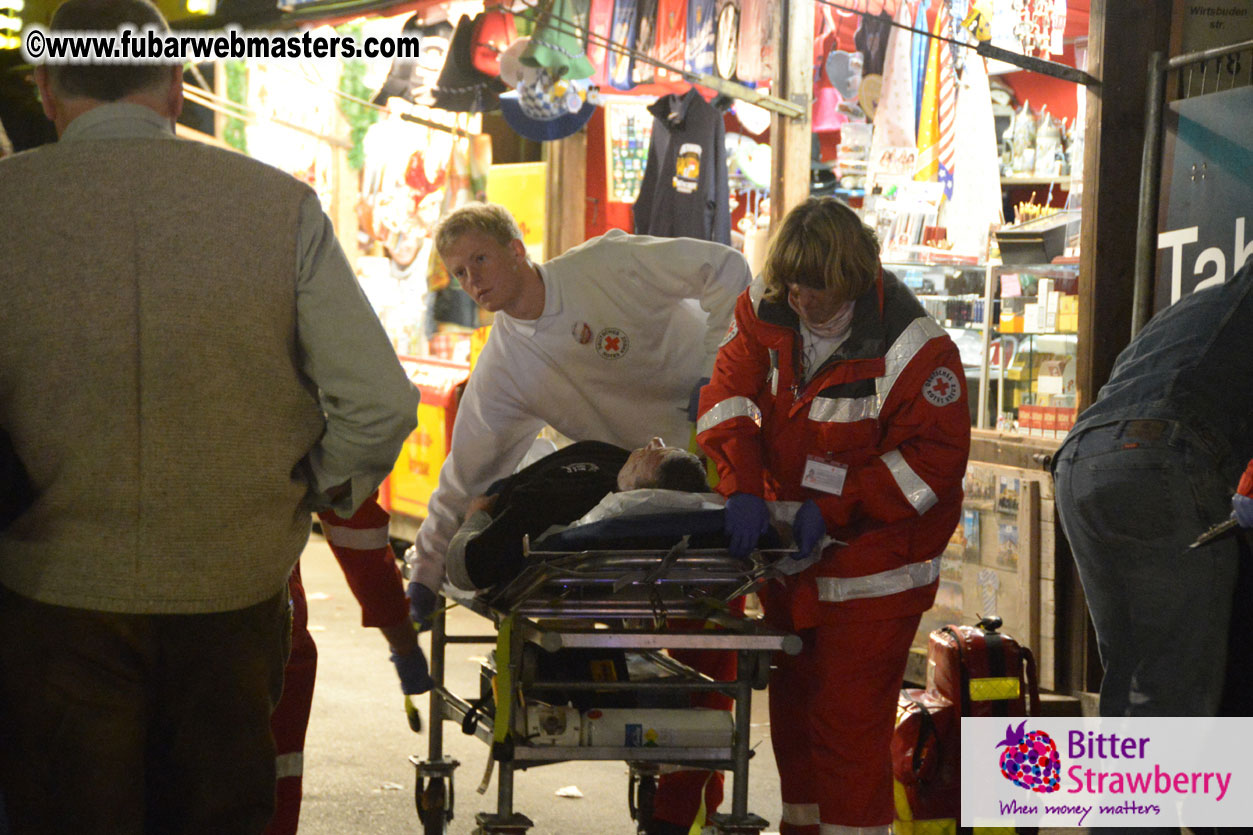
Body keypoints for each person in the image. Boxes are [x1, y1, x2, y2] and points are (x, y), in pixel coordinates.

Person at [0, 2, 420, 832]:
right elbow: (378, 401)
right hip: (232, 592)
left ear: (47, 89)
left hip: (49, 591)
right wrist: (309, 490)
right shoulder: (276, 205)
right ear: (177, 88)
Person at [405, 206, 749, 835]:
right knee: (659, 673)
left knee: (710, 653)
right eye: (458, 274)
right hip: (637, 498)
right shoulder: (505, 366)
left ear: (516, 247)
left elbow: (726, 268)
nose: (472, 281)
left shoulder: (607, 264)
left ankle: (690, 807)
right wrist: (426, 572)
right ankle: (676, 805)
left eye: (480, 260)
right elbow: (466, 475)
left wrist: (716, 375)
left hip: (720, 451)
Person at [696, 197, 971, 835]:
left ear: (849, 279)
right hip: (797, 563)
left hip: (877, 571)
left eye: (812, 288)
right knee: (795, 727)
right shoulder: (766, 313)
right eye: (788, 282)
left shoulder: (915, 350)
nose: (797, 299)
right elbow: (726, 398)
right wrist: (739, 484)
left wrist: (835, 505)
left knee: (848, 733)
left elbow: (932, 466)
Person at [442, 437, 824, 835]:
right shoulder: (651, 489)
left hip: (516, 487)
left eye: (653, 454)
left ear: (642, 492)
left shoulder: (561, 499)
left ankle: (677, 817)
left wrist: (479, 514)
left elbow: (466, 567)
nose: (653, 440)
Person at [1052, 256, 1253, 719]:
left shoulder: (1202, 304)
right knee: (1176, 683)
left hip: (1079, 462)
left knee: (1130, 673)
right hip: (1160, 458)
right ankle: (1172, 791)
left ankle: (1128, 791)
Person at [268, 494, 431, 835]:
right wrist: (400, 633)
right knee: (262, 790)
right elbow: (350, 514)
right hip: (257, 627)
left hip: (126, 623)